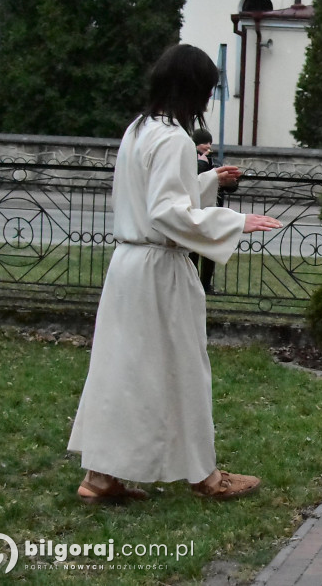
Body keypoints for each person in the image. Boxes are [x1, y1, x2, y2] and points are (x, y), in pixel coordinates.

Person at [67, 44, 282, 502]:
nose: (208, 100)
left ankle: (100, 478)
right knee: (184, 367)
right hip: (158, 271)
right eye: (206, 90)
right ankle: (204, 476)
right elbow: (167, 213)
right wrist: (235, 220)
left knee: (123, 370)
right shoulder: (174, 140)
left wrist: (206, 182)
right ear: (193, 89)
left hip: (129, 267)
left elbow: (151, 197)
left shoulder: (139, 129)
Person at [190, 129, 238, 294]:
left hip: (213, 210)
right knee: (193, 252)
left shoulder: (214, 161)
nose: (208, 146)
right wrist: (202, 163)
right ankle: (193, 283)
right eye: (204, 143)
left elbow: (231, 186)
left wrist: (231, 181)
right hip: (196, 211)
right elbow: (195, 179)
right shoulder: (191, 160)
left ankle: (205, 284)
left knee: (210, 251)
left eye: (210, 142)